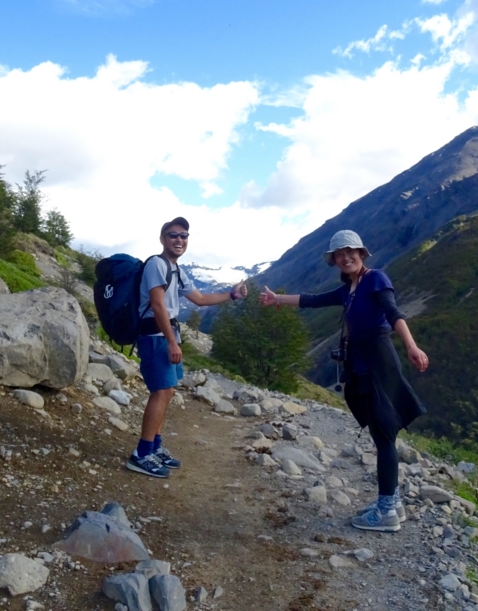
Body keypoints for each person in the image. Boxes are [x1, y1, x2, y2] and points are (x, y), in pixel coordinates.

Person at [259, 230, 429, 532]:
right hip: (361, 366)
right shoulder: (348, 289)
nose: (346, 257)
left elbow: (393, 313)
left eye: (351, 251)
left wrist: (412, 346)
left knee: (385, 435)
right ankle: (392, 503)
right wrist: (277, 300)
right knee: (381, 435)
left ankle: (387, 509)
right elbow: (312, 300)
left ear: (362, 254)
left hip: (378, 364)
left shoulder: (376, 279)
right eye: (340, 254)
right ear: (335, 260)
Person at [127, 217, 248, 478]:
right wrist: (171, 341)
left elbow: (202, 299)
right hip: (155, 336)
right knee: (160, 392)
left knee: (167, 391)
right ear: (162, 239)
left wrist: (233, 294)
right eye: (173, 235)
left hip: (165, 334)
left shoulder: (176, 270)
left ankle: (154, 447)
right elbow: (158, 305)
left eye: (184, 235)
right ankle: (141, 454)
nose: (179, 240)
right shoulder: (157, 265)